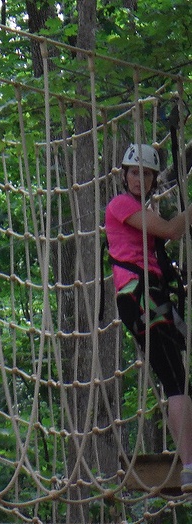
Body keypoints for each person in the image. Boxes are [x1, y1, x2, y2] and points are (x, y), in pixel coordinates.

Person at [105, 143, 192, 487]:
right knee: (174, 376)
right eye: (135, 172)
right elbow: (171, 229)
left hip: (148, 295)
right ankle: (190, 466)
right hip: (140, 296)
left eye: (147, 174)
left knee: (176, 377)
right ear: (125, 176)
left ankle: (189, 460)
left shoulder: (140, 207)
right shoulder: (122, 204)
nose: (140, 179)